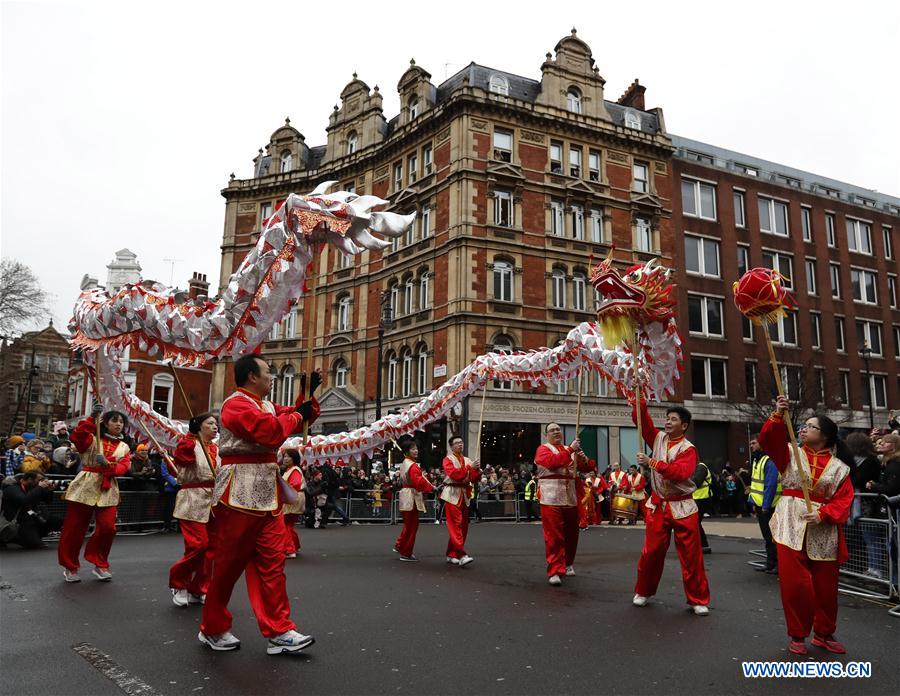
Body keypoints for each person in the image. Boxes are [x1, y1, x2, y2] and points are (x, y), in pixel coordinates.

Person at [198, 355, 321, 655]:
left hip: (267, 493)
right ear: (252, 376)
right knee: (227, 566)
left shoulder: (266, 405)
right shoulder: (235, 405)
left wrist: (308, 393)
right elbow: (270, 430)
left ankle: (279, 630)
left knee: (273, 563)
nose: (272, 377)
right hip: (239, 492)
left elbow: (297, 415)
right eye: (268, 372)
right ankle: (212, 628)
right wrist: (297, 415)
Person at [759, 395, 853, 655]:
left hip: (824, 529)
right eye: (803, 425)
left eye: (810, 426)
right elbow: (767, 440)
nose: (803, 429)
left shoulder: (840, 468)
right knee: (796, 584)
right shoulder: (789, 453)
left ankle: (824, 633)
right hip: (791, 524)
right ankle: (797, 635)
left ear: (824, 435)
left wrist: (824, 514)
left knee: (826, 587)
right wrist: (778, 414)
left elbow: (845, 499)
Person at [631, 400, 710, 615]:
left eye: (673, 419)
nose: (667, 422)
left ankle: (698, 598)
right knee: (652, 552)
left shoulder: (688, 449)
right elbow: (642, 423)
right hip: (659, 505)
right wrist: (640, 403)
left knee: (691, 555)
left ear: (684, 426)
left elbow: (679, 473)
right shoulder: (658, 438)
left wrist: (652, 463)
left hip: (683, 505)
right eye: (667, 418)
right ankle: (643, 591)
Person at [57, 406, 131, 582]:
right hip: (85, 485)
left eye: (121, 422)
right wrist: (91, 418)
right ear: (105, 423)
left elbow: (123, 468)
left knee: (108, 528)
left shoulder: (125, 447)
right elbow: (77, 436)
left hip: (108, 488)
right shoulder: (91, 439)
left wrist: (108, 465)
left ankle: (100, 563)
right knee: (74, 529)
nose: (118, 424)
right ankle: (70, 566)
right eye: (114, 420)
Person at [534, 422, 594, 586]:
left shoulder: (571, 449)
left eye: (558, 429)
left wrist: (583, 459)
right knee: (554, 535)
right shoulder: (543, 449)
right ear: (546, 434)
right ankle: (554, 570)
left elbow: (588, 467)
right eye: (552, 430)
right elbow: (552, 463)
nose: (556, 432)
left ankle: (567, 563)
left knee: (571, 533)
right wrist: (570, 450)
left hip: (570, 495)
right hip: (550, 496)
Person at [169, 412, 219, 607]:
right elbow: (182, 458)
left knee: (212, 549)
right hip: (192, 498)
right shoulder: (188, 444)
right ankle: (179, 583)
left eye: (216, 424)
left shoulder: (216, 448)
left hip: (213, 501)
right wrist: (190, 438)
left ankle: (199, 587)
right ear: (198, 426)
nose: (215, 427)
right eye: (210, 423)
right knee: (198, 545)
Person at [440, 435, 480, 566]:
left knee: (463, 526)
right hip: (451, 494)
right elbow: (455, 475)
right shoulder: (447, 460)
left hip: (464, 494)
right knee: (456, 524)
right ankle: (462, 554)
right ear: (451, 447)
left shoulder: (468, 460)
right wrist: (470, 468)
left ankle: (452, 554)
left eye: (461, 442)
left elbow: (473, 479)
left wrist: (477, 470)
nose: (460, 445)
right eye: (457, 443)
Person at [393, 439, 434, 561]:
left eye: (416, 448)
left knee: (409, 524)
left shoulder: (406, 463)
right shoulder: (412, 465)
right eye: (413, 449)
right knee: (412, 525)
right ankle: (406, 552)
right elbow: (418, 481)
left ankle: (401, 545)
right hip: (411, 495)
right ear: (407, 451)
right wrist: (431, 488)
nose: (416, 451)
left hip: (407, 494)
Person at [0, 471, 62, 548]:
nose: (42, 482)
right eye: (40, 480)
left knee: (57, 520)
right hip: (17, 522)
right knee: (34, 544)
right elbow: (24, 500)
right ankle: (11, 537)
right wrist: (39, 488)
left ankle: (35, 535)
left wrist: (49, 491)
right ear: (30, 479)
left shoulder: (33, 487)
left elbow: (48, 501)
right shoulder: (12, 488)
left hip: (31, 517)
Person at [748, 436, 781, 573]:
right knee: (768, 537)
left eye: (754, 443)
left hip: (769, 506)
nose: (751, 446)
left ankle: (776, 564)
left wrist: (765, 506)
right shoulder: (758, 460)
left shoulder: (769, 461)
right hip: (761, 505)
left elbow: (770, 485)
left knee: (773, 537)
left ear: (762, 444)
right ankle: (771, 563)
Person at [280, 449, 306, 559]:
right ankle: (295, 546)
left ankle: (290, 550)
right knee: (289, 524)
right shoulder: (290, 470)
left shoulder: (294, 470)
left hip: (292, 498)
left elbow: (294, 484)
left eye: (287, 457)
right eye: (284, 456)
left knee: (285, 524)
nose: (285, 459)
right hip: (293, 497)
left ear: (293, 458)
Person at [692, 460, 713, 554]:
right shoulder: (694, 467)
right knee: (695, 522)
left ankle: (704, 545)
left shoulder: (701, 467)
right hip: (696, 498)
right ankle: (702, 545)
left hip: (702, 498)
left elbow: (696, 482)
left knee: (695, 521)